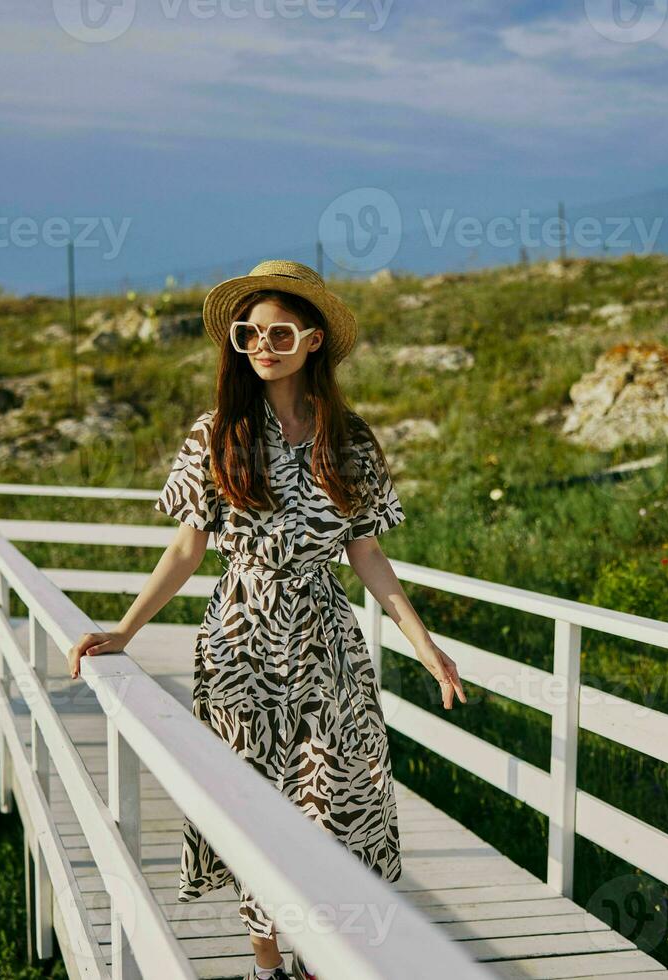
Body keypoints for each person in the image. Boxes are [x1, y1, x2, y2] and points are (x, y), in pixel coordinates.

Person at [68, 259, 467, 980]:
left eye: (279, 331)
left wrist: (425, 644)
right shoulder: (217, 432)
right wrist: (123, 631)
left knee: (333, 808)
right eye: (250, 332)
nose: (262, 344)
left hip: (327, 646)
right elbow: (187, 550)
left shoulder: (347, 438)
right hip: (239, 646)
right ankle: (266, 962)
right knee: (251, 813)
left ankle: (317, 958)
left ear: (314, 340)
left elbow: (367, 553)